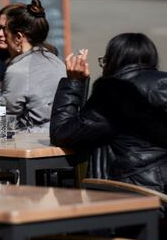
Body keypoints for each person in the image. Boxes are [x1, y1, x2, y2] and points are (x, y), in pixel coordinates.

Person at [50, 33, 167, 191]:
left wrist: (74, 81)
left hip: (133, 195)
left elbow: (62, 134)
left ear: (114, 61)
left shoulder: (114, 93)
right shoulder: (162, 84)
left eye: (104, 61)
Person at [2, 0, 66, 133]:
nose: (5, 40)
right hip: (60, 133)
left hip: (30, 140)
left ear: (19, 37)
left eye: (6, 35)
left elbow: (7, 116)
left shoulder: (18, 70)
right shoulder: (58, 62)